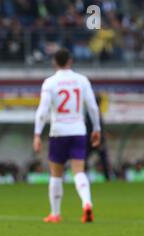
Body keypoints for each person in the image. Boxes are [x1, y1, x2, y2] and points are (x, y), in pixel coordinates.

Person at [33, 48, 101, 224]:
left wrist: (37, 133)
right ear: (70, 61)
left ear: (54, 62)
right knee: (79, 171)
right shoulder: (82, 80)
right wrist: (97, 128)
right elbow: (93, 107)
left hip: (59, 132)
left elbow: (43, 111)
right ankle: (87, 203)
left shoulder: (50, 82)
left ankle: (55, 214)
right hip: (78, 130)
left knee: (56, 174)